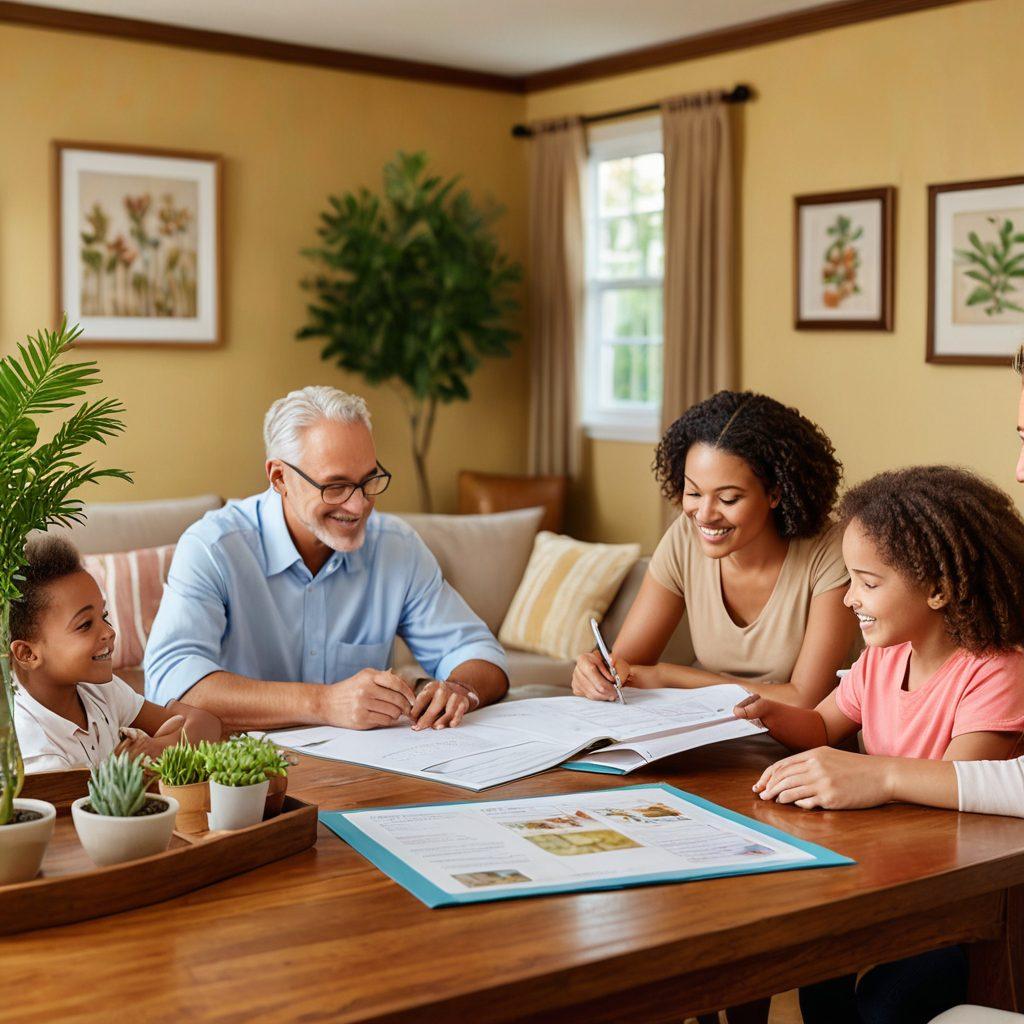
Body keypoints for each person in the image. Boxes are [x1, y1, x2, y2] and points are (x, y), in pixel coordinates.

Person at [735, 465, 1024, 1024]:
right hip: (884, 874)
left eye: (868, 583)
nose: (849, 600)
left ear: (940, 589)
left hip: (962, 901)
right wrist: (770, 715)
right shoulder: (885, 655)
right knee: (817, 970)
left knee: (885, 1002)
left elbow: (966, 785)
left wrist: (867, 777)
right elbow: (822, 727)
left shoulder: (995, 669)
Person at [144, 385, 509, 734]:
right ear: (279, 477)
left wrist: (459, 689)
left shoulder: (397, 548)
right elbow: (171, 681)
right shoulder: (213, 547)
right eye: (335, 486)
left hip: (364, 771)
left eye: (368, 480)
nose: (358, 505)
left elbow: (480, 654)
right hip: (245, 777)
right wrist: (323, 702)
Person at [572, 390, 859, 709]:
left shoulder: (832, 551)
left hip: (807, 750)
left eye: (728, 499)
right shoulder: (684, 536)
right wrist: (597, 675)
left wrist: (671, 677)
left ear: (775, 494)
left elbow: (805, 700)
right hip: (712, 733)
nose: (705, 514)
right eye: (693, 492)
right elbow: (626, 669)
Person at [12, 536, 220, 772]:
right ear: (27, 653)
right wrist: (125, 770)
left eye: (105, 616)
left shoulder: (99, 691)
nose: (109, 632)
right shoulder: (34, 749)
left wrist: (155, 748)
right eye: (84, 625)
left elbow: (206, 724)